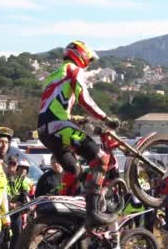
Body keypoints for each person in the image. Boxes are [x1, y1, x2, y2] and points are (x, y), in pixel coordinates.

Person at [37, 40, 120, 228]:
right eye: (88, 59)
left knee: (73, 170)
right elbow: (85, 99)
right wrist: (105, 118)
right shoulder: (74, 70)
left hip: (44, 129)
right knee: (101, 159)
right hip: (58, 126)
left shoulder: (53, 75)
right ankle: (93, 213)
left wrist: (74, 119)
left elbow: (52, 106)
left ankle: (63, 212)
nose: (88, 63)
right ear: (81, 55)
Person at [6, 158, 33, 249]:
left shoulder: (25, 181)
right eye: (21, 168)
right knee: (3, 235)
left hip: (16, 211)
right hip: (4, 211)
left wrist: (17, 204)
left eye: (25, 169)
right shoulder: (6, 177)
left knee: (17, 233)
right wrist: (8, 203)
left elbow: (25, 196)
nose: (23, 171)